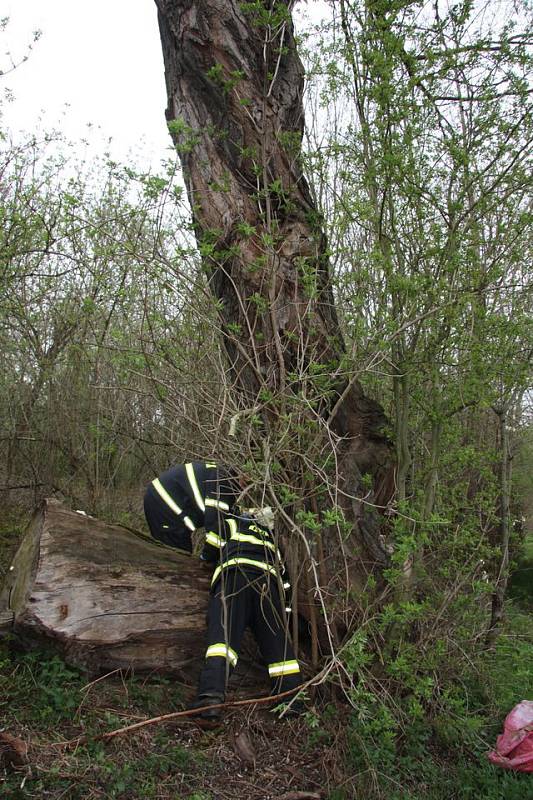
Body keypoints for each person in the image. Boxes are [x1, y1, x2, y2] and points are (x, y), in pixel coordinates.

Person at [192, 508, 302, 721]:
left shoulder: (233, 521)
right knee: (278, 648)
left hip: (234, 579)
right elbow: (286, 582)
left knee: (222, 643)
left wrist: (205, 557)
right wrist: (285, 613)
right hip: (267, 587)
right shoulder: (270, 538)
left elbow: (214, 541)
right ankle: (292, 701)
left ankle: (210, 700)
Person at [143, 461, 240, 554]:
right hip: (163, 502)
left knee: (178, 553)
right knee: (176, 556)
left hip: (161, 497)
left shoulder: (221, 474)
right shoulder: (224, 482)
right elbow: (215, 526)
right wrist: (208, 557)